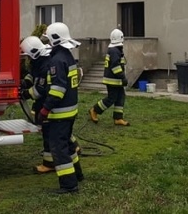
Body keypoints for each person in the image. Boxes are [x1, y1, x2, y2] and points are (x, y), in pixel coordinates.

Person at [20, 35, 81, 174]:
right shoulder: (41, 61)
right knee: (55, 135)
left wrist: (25, 94)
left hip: (52, 106)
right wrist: (25, 83)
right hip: (56, 106)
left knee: (54, 136)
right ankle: (58, 164)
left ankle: (59, 170)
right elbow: (33, 75)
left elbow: (40, 89)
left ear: (33, 54)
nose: (27, 59)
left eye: (28, 56)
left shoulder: (49, 63)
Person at [37, 22, 83, 194]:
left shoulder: (56, 60)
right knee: (68, 145)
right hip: (70, 111)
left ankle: (69, 185)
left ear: (55, 39)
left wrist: (45, 109)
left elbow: (58, 89)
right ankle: (77, 174)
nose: (47, 42)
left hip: (60, 113)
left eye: (48, 39)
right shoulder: (68, 56)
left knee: (58, 148)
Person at [89, 28, 131, 126]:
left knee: (120, 97)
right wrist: (123, 77)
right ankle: (94, 110)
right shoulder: (114, 51)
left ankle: (118, 118)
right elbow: (115, 66)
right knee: (111, 98)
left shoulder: (115, 50)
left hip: (116, 80)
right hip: (113, 80)